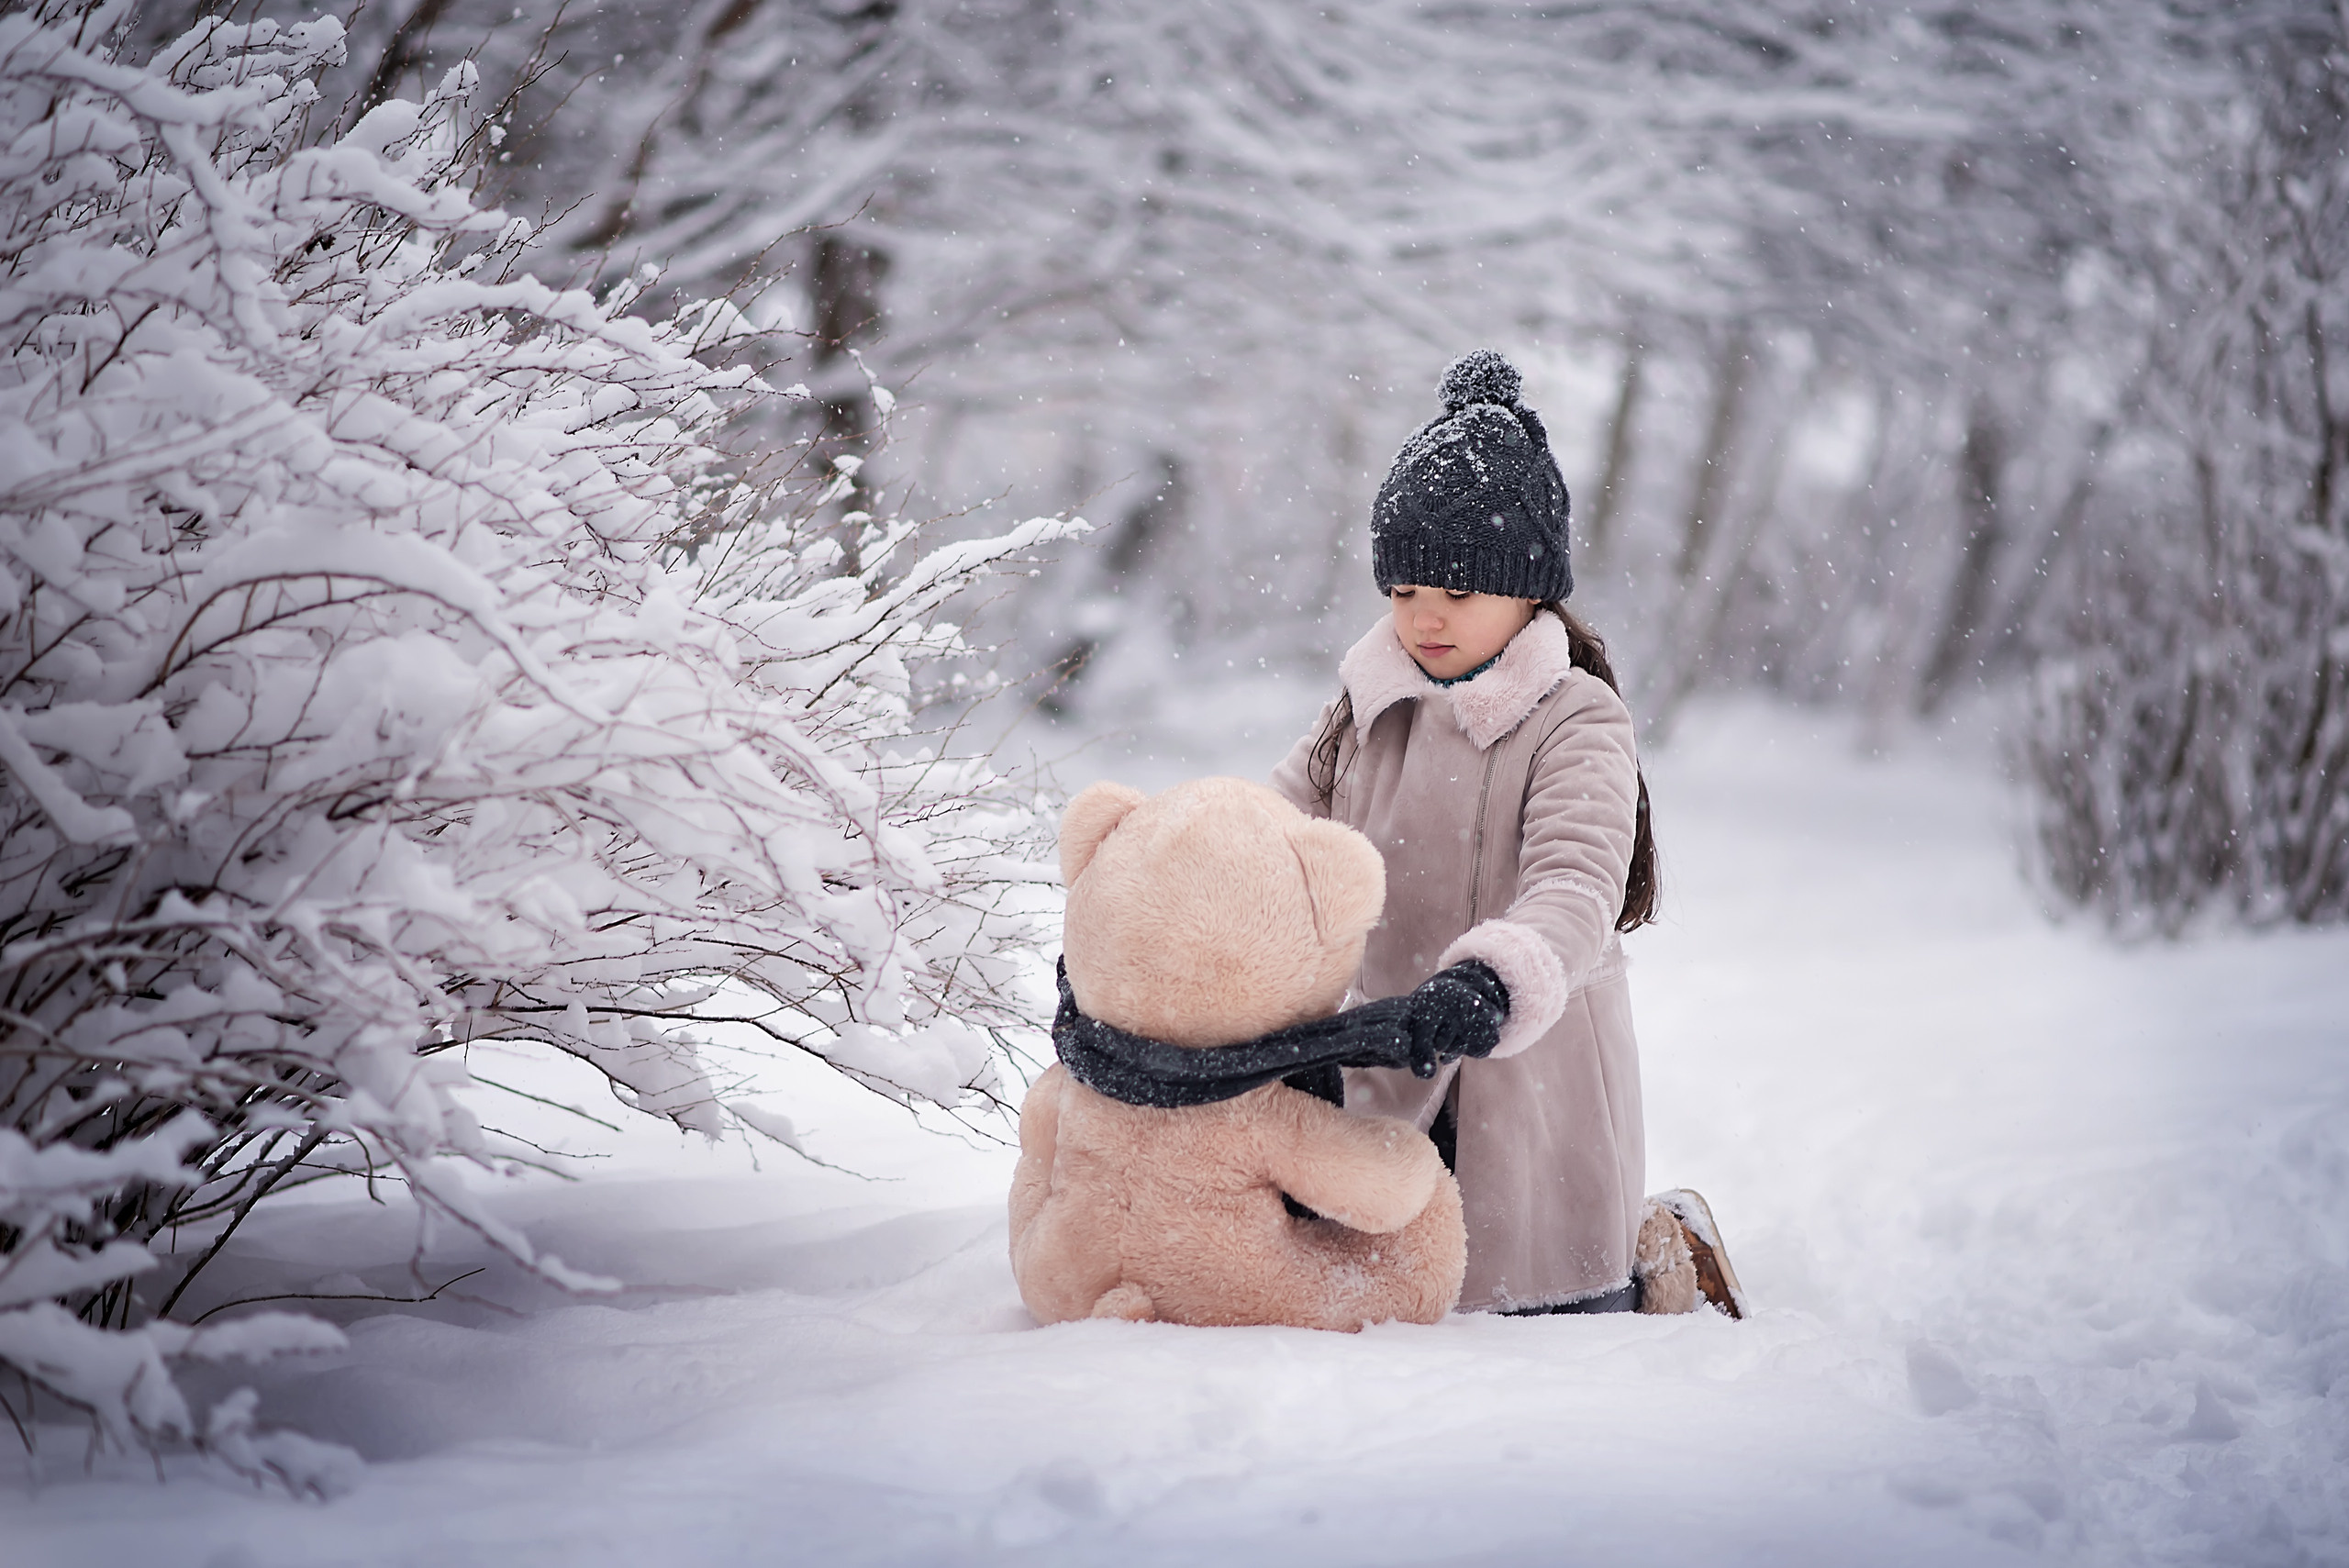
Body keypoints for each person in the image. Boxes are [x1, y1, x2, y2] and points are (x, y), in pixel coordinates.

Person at [1269, 349, 1742, 1318]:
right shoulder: (1365, 703)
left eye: (1455, 591)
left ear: (1527, 590)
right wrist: (1184, 879)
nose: (1424, 616)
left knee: (1525, 1296)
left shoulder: (1573, 718)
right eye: (1402, 593)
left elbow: (1575, 881)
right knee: (1369, 1277)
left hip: (1518, 1055)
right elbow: (1273, 822)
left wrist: (1495, 974)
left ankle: (1664, 1249)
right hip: (1384, 1043)